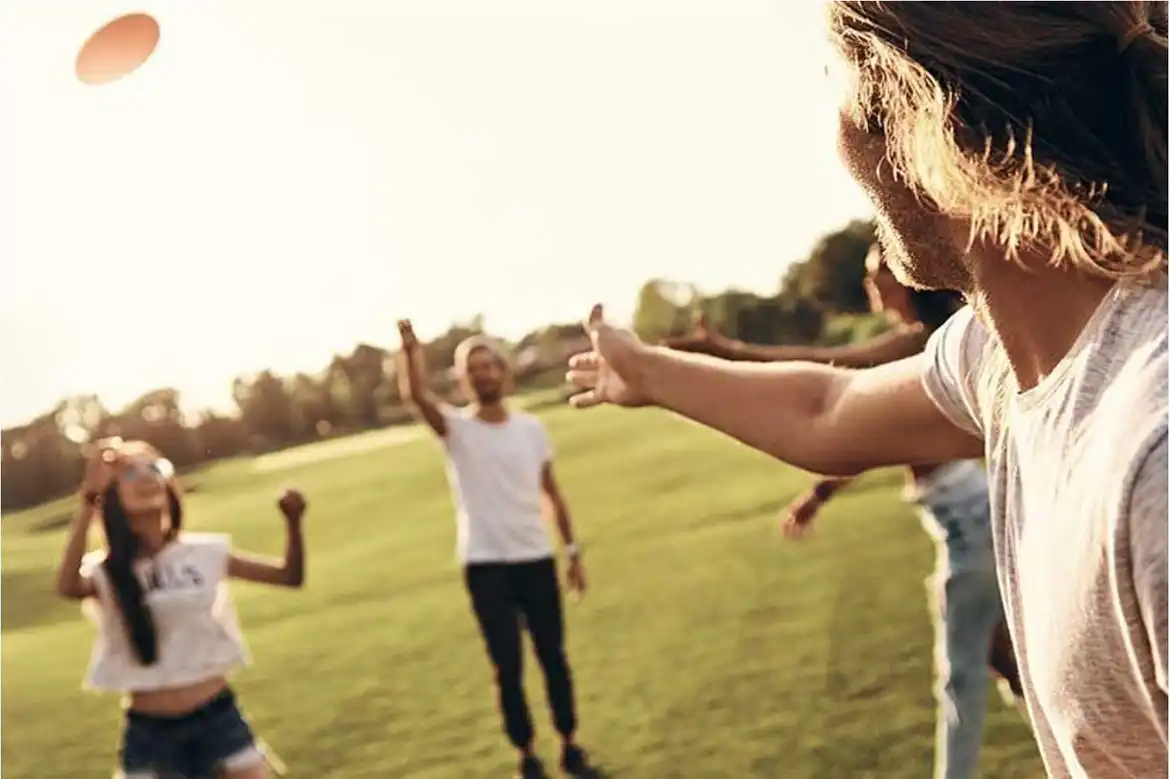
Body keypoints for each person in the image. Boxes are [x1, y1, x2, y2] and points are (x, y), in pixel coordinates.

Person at [565, 2, 1167, 777]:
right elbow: (827, 409)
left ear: (919, 120)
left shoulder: (1152, 451)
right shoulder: (1000, 358)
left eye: (838, 88)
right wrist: (645, 371)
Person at [670, 244, 1017, 779]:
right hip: (966, 513)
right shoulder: (926, 341)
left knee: (960, 677)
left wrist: (722, 351)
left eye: (878, 273)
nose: (871, 285)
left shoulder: (920, 344)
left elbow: (826, 383)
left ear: (907, 275)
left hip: (969, 521)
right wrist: (821, 493)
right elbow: (868, 438)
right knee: (1003, 660)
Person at [396, 320, 592, 779]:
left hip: (536, 559)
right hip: (486, 566)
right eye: (473, 368)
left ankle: (569, 743)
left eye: (489, 365)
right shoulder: (456, 430)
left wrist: (573, 551)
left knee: (554, 658)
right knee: (507, 665)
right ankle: (526, 753)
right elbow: (417, 398)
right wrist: (409, 352)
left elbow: (552, 493)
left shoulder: (531, 429)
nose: (483, 374)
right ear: (464, 379)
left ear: (503, 372)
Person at [55, 437, 308, 779]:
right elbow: (68, 586)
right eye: (129, 472)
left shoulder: (205, 553)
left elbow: (288, 576)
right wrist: (89, 498)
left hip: (219, 719)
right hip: (150, 734)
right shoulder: (106, 571)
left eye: (154, 467)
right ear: (112, 495)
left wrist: (293, 521)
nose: (145, 476)